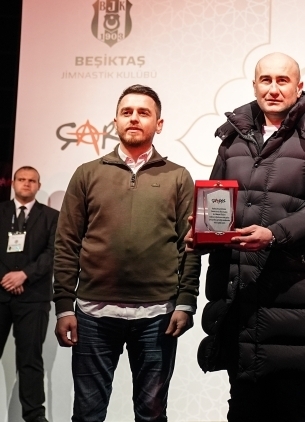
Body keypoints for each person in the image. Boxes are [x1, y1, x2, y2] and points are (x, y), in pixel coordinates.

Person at [193, 52, 305, 421]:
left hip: (289, 291)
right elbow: (216, 202)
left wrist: (273, 235)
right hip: (238, 291)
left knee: (292, 405)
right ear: (255, 85)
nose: (273, 89)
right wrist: (201, 234)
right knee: (242, 405)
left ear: (299, 87)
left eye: (282, 80)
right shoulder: (232, 137)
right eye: (266, 80)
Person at [53, 84, 201, 422]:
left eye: (143, 112)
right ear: (115, 121)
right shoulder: (87, 173)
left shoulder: (178, 177)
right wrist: (63, 305)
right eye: (127, 112)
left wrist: (185, 301)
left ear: (158, 124)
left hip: (158, 314)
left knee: (152, 415)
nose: (134, 118)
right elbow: (66, 242)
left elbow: (190, 244)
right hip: (92, 313)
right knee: (87, 414)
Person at [0, 166, 58, 422]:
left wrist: (24, 274)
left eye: (32, 180)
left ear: (38, 185)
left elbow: (52, 252)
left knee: (30, 360)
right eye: (22, 179)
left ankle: (34, 416)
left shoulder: (51, 217)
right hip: (0, 294)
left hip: (33, 297)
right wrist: (7, 277)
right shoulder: (1, 212)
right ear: (13, 183)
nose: (26, 184)